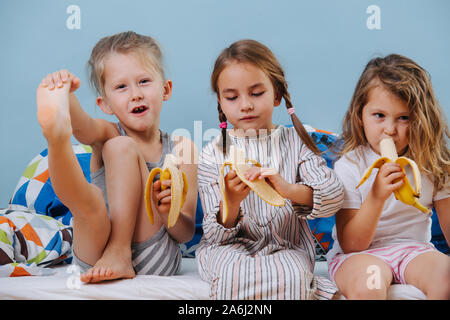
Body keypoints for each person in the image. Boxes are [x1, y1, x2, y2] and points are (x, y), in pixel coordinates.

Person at [36, 31, 197, 283]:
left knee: (120, 146)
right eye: (121, 87)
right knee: (90, 205)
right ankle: (57, 140)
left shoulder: (182, 149)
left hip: (154, 254)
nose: (135, 94)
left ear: (165, 89)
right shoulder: (106, 132)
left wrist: (169, 213)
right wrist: (65, 95)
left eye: (144, 81)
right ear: (105, 104)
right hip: (95, 254)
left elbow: (186, 234)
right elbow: (84, 128)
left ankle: (120, 250)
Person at [195, 39, 344, 300]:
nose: (245, 105)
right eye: (232, 97)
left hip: (286, 246)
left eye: (256, 93)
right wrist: (230, 202)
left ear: (276, 94)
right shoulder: (212, 154)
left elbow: (333, 195)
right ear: (221, 102)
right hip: (229, 248)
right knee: (232, 274)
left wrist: (288, 189)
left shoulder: (297, 143)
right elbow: (215, 236)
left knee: (293, 276)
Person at [326, 54, 450, 299]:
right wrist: (376, 196)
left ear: (422, 119)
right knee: (369, 285)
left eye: (403, 118)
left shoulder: (433, 164)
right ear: (359, 115)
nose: (390, 130)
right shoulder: (350, 165)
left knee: (446, 278)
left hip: (414, 251)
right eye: (379, 116)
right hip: (359, 257)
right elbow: (351, 244)